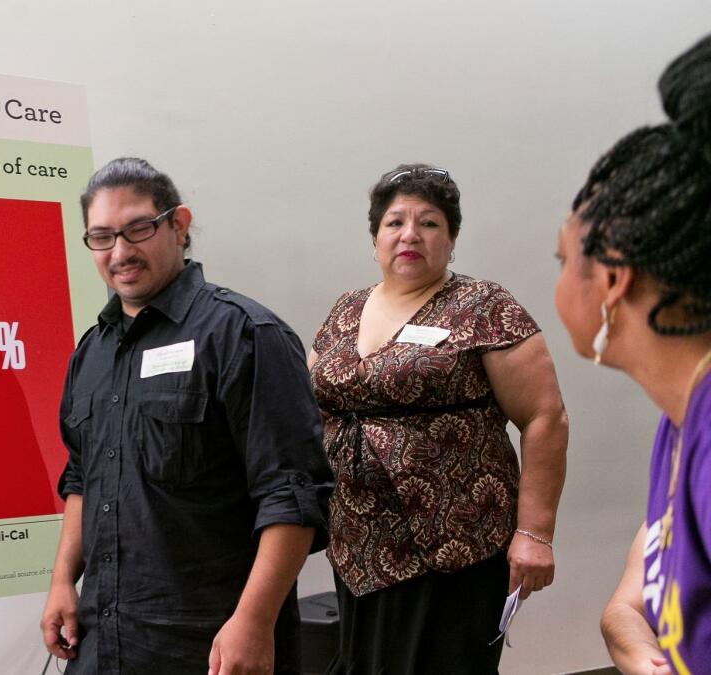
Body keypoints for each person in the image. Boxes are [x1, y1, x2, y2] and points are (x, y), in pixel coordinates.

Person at [39, 157, 333, 675]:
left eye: (138, 229)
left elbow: (292, 495)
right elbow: (82, 476)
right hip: (102, 638)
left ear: (179, 225)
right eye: (102, 237)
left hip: (208, 644)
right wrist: (64, 579)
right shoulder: (92, 353)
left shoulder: (244, 335)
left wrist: (254, 621)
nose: (121, 252)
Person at [307, 164, 569, 673]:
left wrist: (535, 533)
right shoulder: (346, 309)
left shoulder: (483, 306)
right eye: (394, 222)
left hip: (454, 547)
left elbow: (545, 417)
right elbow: (310, 405)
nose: (409, 234)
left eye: (428, 223)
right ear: (375, 238)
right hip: (358, 547)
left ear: (451, 239)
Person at [554, 33, 711, 675]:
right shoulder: (679, 422)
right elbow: (637, 593)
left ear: (614, 281)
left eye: (564, 261)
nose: (558, 282)